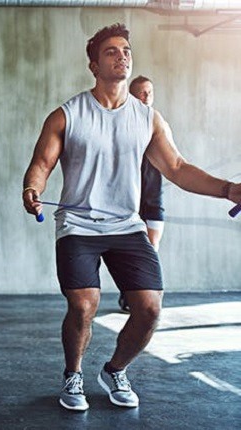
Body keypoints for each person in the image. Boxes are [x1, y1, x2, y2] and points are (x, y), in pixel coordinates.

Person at [22, 23, 240, 412]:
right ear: (93, 65)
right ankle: (73, 374)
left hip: (127, 225)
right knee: (84, 304)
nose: (122, 56)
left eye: (126, 50)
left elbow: (177, 167)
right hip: (78, 225)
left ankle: (115, 369)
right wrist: (32, 189)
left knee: (150, 308)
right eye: (111, 51)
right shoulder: (67, 114)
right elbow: (41, 163)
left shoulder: (148, 118)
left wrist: (227, 188)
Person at [118, 75, 162, 313]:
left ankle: (136, 297)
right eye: (141, 93)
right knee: (133, 254)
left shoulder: (156, 125)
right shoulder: (123, 125)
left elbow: (175, 165)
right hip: (128, 206)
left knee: (151, 250)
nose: (146, 97)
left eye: (150, 93)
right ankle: (130, 293)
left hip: (153, 202)